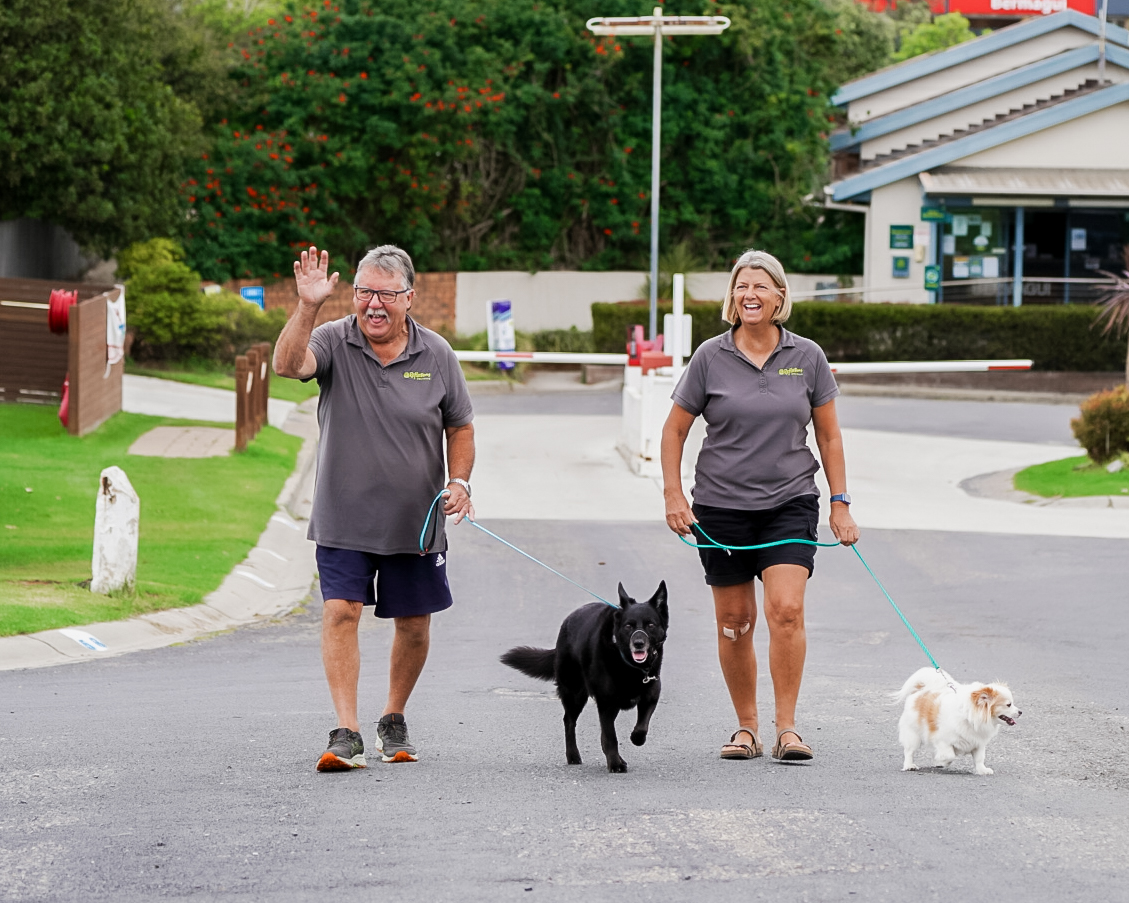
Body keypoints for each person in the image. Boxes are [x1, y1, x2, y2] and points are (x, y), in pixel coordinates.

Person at [273, 244, 475, 772]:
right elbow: (287, 364)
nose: (374, 305)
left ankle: (393, 716)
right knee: (341, 612)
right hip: (343, 517)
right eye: (365, 292)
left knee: (413, 623)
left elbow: (460, 425)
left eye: (387, 294)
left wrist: (461, 482)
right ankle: (346, 731)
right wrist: (307, 306)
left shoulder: (436, 354)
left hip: (417, 521)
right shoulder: (333, 341)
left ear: (410, 297)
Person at [660, 248, 859, 763]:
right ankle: (746, 727)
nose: (749, 294)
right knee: (735, 621)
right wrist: (674, 494)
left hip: (790, 500)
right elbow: (675, 430)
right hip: (721, 507)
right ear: (733, 297)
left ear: (779, 296)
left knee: (787, 611)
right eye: (741, 286)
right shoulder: (709, 356)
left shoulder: (808, 357)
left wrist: (840, 504)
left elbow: (830, 438)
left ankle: (787, 728)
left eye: (760, 286)